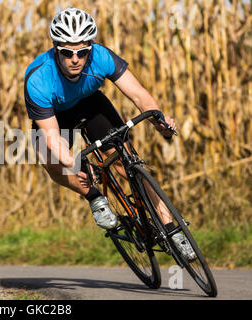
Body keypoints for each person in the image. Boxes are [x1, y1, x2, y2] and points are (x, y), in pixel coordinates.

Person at [24, 8, 195, 260]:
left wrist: (158, 118)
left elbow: (138, 94)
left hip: (91, 105)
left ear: (90, 49)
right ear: (55, 49)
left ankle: (171, 227)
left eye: (82, 52)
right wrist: (75, 164)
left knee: (127, 161)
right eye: (67, 52)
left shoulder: (102, 57)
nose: (75, 59)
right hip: (55, 117)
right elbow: (51, 138)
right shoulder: (38, 79)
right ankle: (94, 197)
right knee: (52, 162)